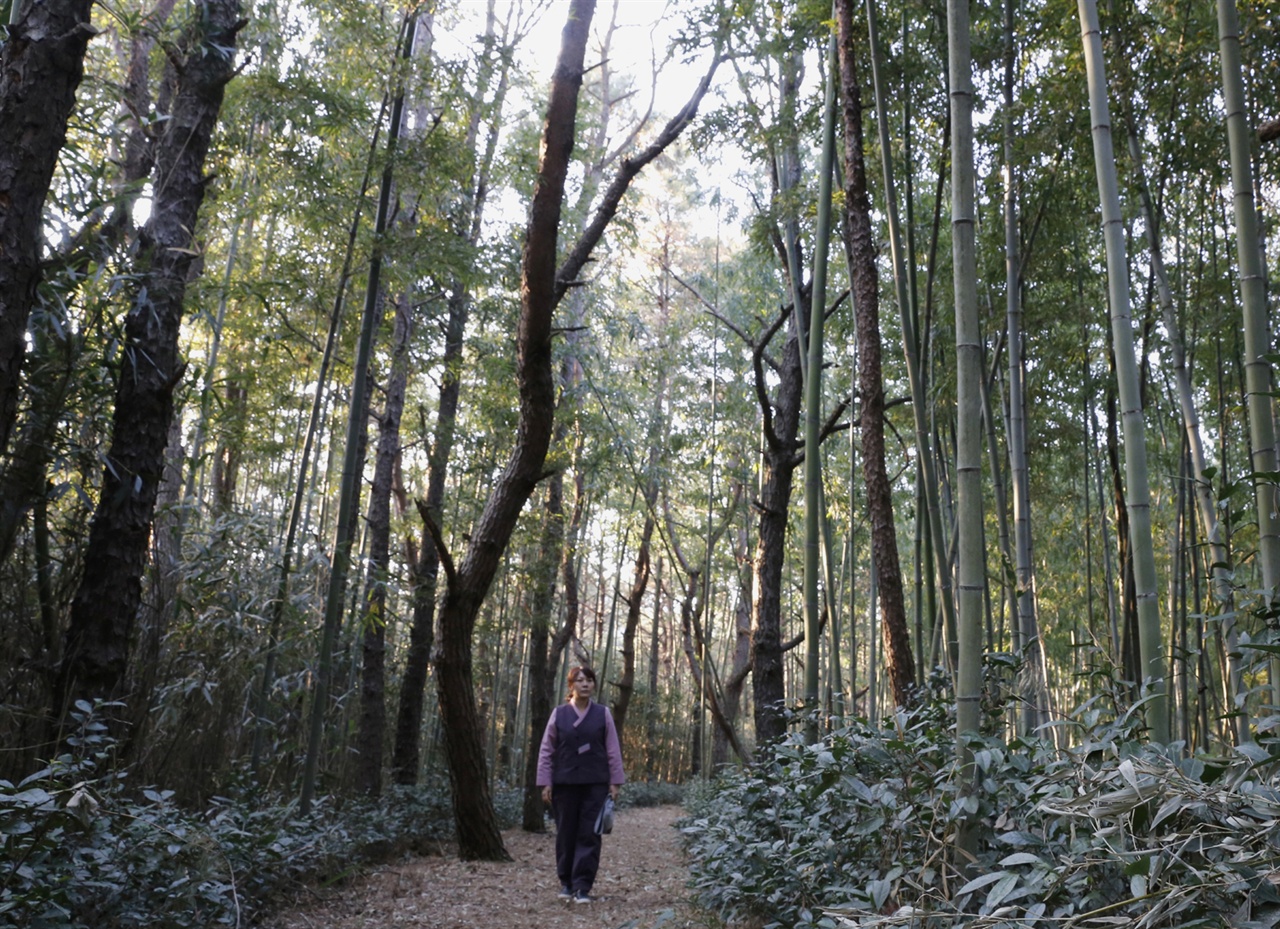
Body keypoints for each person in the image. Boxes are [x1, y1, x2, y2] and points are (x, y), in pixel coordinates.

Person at [537, 665, 625, 904]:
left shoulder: (602, 714)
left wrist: (615, 782)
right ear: (571, 685)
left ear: (594, 685)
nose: (585, 684)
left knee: (590, 834)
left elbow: (612, 749)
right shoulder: (559, 714)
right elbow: (546, 750)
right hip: (564, 782)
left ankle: (583, 886)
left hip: (595, 782)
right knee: (566, 832)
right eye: (580, 680)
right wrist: (545, 782)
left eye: (589, 680)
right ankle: (566, 883)